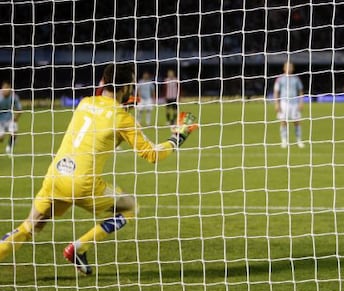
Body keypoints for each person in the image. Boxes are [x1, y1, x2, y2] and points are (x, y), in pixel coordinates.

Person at [0, 63, 197, 275]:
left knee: (29, 227)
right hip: (84, 184)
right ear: (127, 87)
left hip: (55, 177)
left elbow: (100, 131)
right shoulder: (123, 119)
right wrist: (179, 136)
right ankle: (79, 246)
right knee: (130, 207)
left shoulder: (84, 103)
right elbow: (152, 155)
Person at [274, 61, 304, 148]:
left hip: (294, 102)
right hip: (284, 102)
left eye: (290, 67)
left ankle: (299, 140)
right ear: (284, 68)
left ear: (293, 68)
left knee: (297, 122)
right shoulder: (280, 79)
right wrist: (276, 103)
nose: (289, 68)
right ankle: (284, 141)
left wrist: (301, 102)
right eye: (287, 67)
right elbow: (276, 91)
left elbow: (300, 91)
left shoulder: (296, 79)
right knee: (283, 121)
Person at [0, 80, 22, 156]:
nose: (6, 89)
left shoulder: (14, 97)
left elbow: (19, 109)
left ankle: (9, 148)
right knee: (1, 138)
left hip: (9, 118)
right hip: (0, 120)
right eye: (4, 87)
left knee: (14, 132)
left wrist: (15, 119)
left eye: (8, 87)